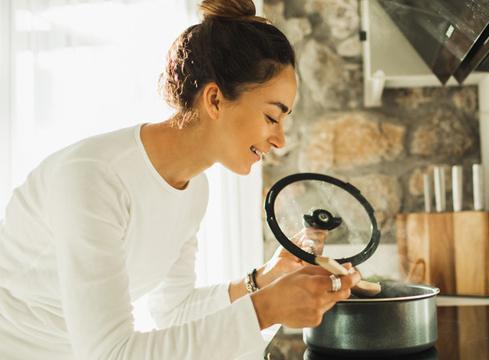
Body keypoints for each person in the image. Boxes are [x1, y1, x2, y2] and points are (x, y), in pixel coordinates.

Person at [0, 0, 361, 359]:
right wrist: (265, 308)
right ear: (215, 99)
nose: (280, 140)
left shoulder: (193, 189)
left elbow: (174, 310)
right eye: (271, 117)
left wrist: (262, 280)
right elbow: (110, 353)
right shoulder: (92, 179)